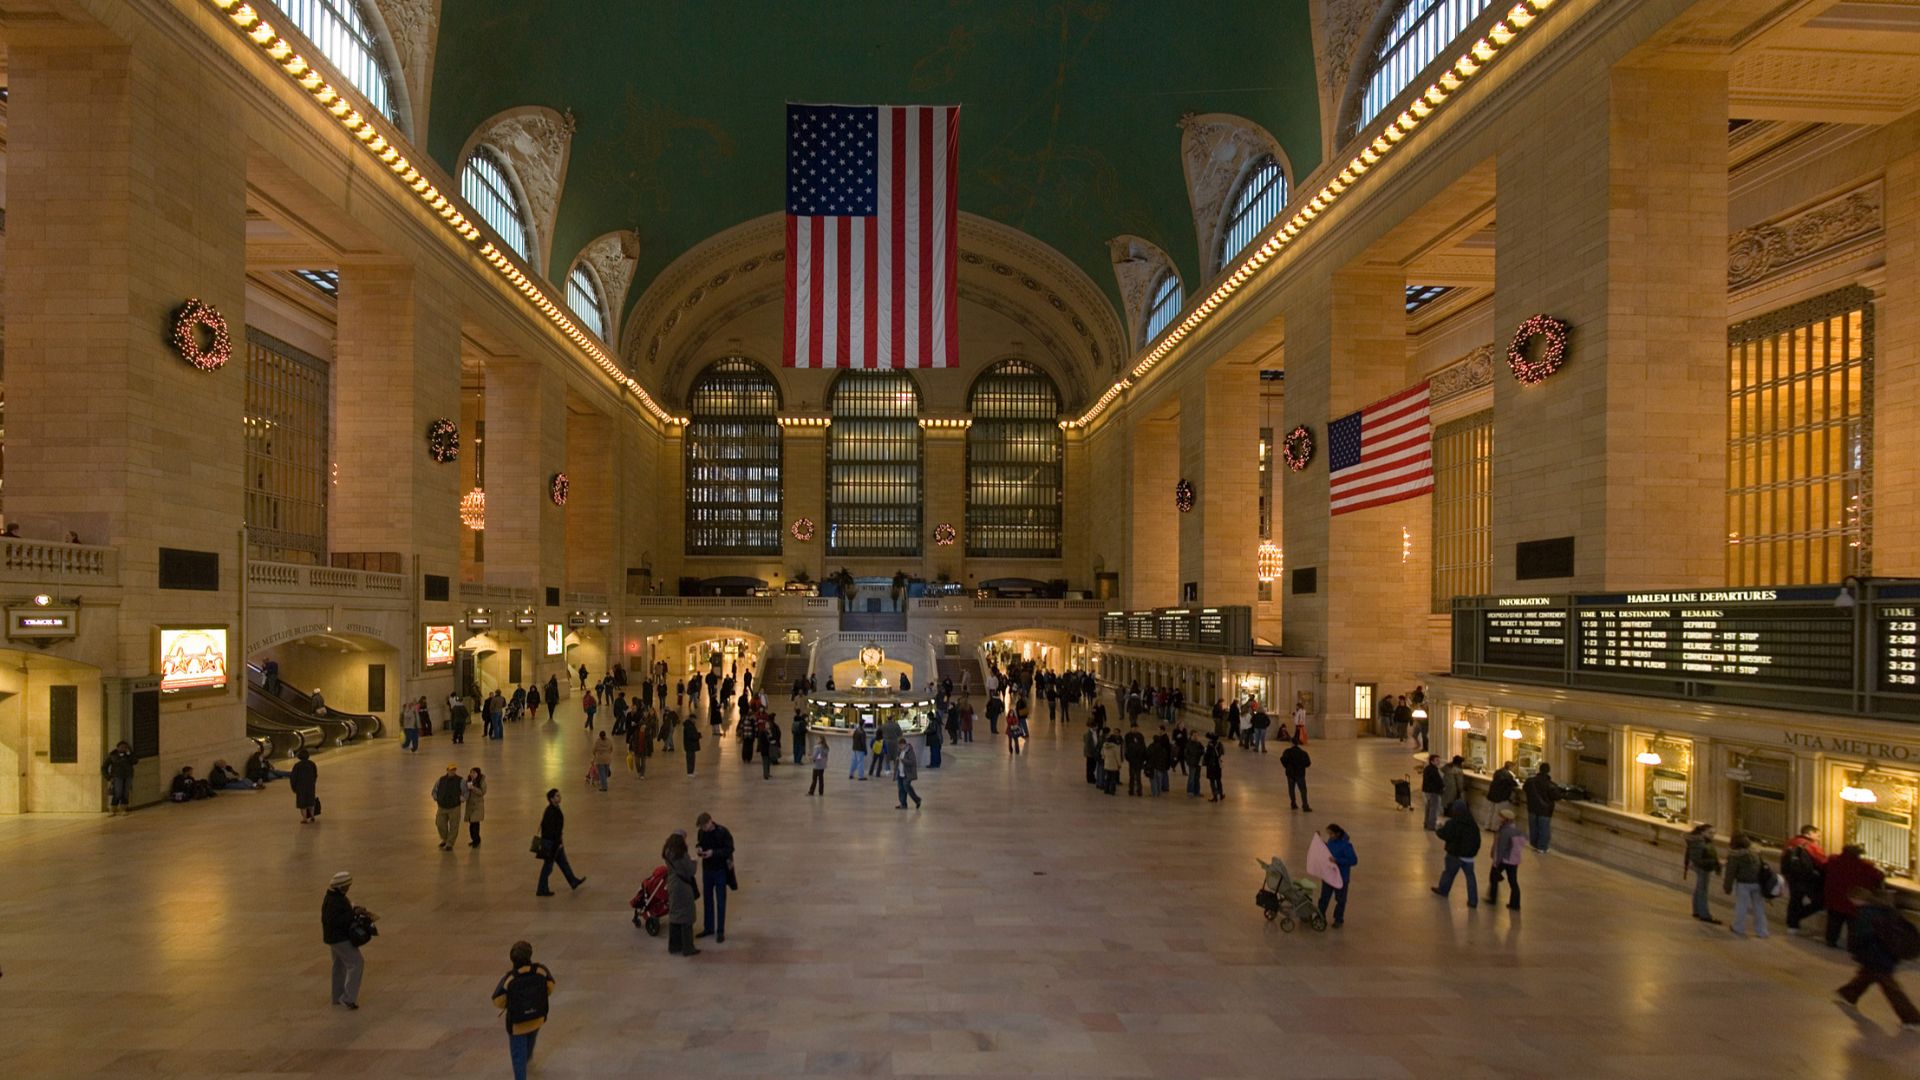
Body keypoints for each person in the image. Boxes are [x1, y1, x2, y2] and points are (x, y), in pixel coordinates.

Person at [1834, 886, 1920, 1028]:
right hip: (1888, 952)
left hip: (1875, 954)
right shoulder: (1885, 909)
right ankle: (1848, 995)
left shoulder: (1865, 914)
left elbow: (1861, 936)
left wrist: (1855, 949)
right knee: (1867, 975)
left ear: (1857, 899)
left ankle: (1911, 1018)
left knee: (1890, 988)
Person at [491, 940, 555, 1080]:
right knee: (531, 1039)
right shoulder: (540, 971)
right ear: (530, 955)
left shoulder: (510, 978)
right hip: (537, 1017)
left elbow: (497, 1000)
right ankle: (529, 1058)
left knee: (518, 1056)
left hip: (517, 1024)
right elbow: (550, 987)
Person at [321, 871, 372, 1009]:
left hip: (332, 938)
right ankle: (348, 998)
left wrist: (353, 909)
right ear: (340, 887)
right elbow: (337, 920)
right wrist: (353, 913)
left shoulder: (332, 897)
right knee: (356, 963)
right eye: (346, 886)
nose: (348, 888)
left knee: (339, 966)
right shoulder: (335, 901)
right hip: (339, 938)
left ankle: (337, 997)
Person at [1824, 844, 1885, 949]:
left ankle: (1831, 940)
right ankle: (1852, 945)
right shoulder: (1864, 865)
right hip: (1853, 899)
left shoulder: (1833, 860)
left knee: (1834, 921)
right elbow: (1879, 876)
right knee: (1853, 924)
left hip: (1834, 896)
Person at [1431, 801, 1481, 908]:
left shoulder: (1453, 823)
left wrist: (1438, 829)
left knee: (1448, 873)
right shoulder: (1473, 824)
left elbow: (1444, 834)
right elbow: (1477, 840)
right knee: (1470, 877)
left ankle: (1443, 890)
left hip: (1455, 854)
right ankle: (1473, 901)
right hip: (1469, 857)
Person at [535, 789, 585, 896]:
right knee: (548, 867)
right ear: (551, 799)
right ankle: (541, 889)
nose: (559, 797)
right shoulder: (551, 811)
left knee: (563, 863)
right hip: (552, 844)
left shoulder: (553, 809)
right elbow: (551, 830)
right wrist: (557, 842)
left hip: (555, 843)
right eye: (557, 796)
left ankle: (573, 881)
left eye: (559, 795)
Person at [1781, 824, 1829, 933]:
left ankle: (1792, 926)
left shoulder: (1790, 842)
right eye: (1817, 835)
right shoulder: (1811, 845)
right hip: (1807, 878)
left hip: (1792, 877)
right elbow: (1822, 862)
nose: (1819, 837)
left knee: (1795, 900)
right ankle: (1796, 917)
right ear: (1809, 833)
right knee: (1819, 901)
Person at [695, 812, 735, 942]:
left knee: (720, 901)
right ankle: (709, 927)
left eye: (704, 826)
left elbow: (729, 849)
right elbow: (699, 843)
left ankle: (720, 931)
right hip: (707, 871)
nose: (703, 829)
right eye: (701, 827)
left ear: (710, 821)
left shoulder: (722, 832)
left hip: (720, 871)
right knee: (707, 900)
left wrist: (714, 853)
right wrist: (699, 848)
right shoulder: (702, 833)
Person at [1723, 832, 1769, 938]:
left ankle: (1738, 927)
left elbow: (1730, 872)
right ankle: (1762, 931)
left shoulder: (1735, 855)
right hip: (1758, 882)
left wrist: (1727, 887)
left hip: (1744, 883)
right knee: (1759, 907)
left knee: (1741, 906)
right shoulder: (1756, 852)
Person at [664, 832, 700, 957]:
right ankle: (688, 947)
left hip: (673, 883)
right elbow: (690, 871)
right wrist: (694, 861)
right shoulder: (681, 855)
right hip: (683, 887)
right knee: (686, 916)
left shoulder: (668, 851)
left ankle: (674, 945)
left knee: (674, 914)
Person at [1317, 824, 1357, 928]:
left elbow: (1353, 860)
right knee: (1324, 898)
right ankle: (1320, 915)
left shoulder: (1346, 846)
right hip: (1329, 875)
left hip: (1341, 877)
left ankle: (1338, 919)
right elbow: (1328, 851)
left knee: (1340, 900)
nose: (1329, 836)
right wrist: (1320, 841)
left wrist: (1337, 861)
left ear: (1337, 834)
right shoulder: (1331, 841)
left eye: (1331, 834)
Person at [1486, 808, 1523, 911]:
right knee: (1513, 882)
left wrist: (1496, 862)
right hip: (1514, 860)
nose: (1499, 818)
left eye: (1501, 817)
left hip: (1504, 859)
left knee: (1493, 877)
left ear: (1506, 819)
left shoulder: (1504, 831)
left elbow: (1501, 848)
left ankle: (1492, 899)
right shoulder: (1517, 831)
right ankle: (1515, 904)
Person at [1684, 823, 1721, 924]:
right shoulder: (1699, 842)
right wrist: (1716, 862)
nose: (1713, 835)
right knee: (1702, 890)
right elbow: (1698, 860)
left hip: (1701, 866)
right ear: (1703, 832)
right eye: (1710, 832)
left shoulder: (1700, 840)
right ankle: (1704, 914)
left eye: (1714, 833)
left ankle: (1697, 910)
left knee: (1699, 888)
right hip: (1702, 867)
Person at [1521, 763, 1560, 852]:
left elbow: (1525, 789)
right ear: (1548, 771)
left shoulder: (1530, 781)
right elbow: (1557, 796)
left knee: (1533, 827)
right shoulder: (1551, 784)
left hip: (1532, 807)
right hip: (1545, 810)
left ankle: (1534, 844)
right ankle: (1542, 847)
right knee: (1544, 829)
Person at [432, 764, 465, 851]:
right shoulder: (441, 780)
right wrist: (436, 797)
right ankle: (445, 839)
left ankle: (450, 843)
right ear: (447, 770)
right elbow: (435, 789)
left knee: (454, 826)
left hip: (454, 807)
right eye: (451, 770)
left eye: (454, 770)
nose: (452, 771)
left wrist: (463, 798)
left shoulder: (460, 780)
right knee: (440, 824)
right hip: (442, 806)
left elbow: (465, 791)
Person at [102, 741, 138, 814]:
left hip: (128, 776)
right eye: (121, 747)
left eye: (125, 747)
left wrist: (129, 754)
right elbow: (104, 767)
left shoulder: (128, 755)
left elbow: (135, 761)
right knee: (118, 792)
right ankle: (113, 808)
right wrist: (108, 777)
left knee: (125, 792)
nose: (123, 749)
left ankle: (123, 808)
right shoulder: (112, 755)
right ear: (117, 747)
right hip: (117, 776)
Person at [1280, 739, 1313, 811]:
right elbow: (1308, 763)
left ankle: (1293, 803)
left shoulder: (1287, 752)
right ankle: (1305, 805)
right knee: (1303, 790)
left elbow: (1283, 760)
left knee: (1291, 789)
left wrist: (1287, 767)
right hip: (1300, 774)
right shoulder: (1303, 753)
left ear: (1291, 743)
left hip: (1290, 773)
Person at [1485, 761, 1518, 829]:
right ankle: (1494, 827)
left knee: (1491, 811)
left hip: (1492, 794)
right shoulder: (1508, 775)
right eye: (1514, 767)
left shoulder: (1498, 771)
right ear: (1510, 767)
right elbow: (1514, 783)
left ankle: (1487, 825)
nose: (1514, 769)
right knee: (1498, 812)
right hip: (1500, 796)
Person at [291, 749, 319, 824]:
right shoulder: (312, 764)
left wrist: (293, 787)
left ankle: (304, 818)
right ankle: (312, 816)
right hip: (310, 785)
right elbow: (315, 774)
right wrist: (313, 782)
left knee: (302, 803)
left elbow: (293, 777)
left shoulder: (297, 766)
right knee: (311, 801)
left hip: (300, 787)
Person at [897, 737, 923, 809]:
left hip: (907, 773)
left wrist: (903, 760)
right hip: (900, 772)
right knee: (901, 789)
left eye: (901, 746)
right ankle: (903, 804)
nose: (900, 747)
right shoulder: (900, 751)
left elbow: (912, 762)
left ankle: (917, 799)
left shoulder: (909, 751)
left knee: (906, 786)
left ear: (904, 744)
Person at [464, 767, 487, 847]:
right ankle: (474, 840)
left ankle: (476, 841)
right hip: (470, 806)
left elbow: (482, 792)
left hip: (477, 807)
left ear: (478, 774)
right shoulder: (469, 781)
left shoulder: (481, 781)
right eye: (471, 773)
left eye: (474, 773)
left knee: (475, 825)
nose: (472, 774)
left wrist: (473, 788)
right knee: (471, 825)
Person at [1420, 755, 1444, 831]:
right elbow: (1438, 781)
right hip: (1433, 791)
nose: (1439, 762)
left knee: (1428, 808)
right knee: (1433, 808)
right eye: (1437, 760)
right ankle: (1431, 825)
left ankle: (1426, 823)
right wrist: (1443, 786)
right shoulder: (1433, 770)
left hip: (1427, 791)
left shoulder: (1427, 768)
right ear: (1432, 761)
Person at [1123, 727, 1146, 796]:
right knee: (1135, 776)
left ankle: (1133, 790)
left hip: (1134, 762)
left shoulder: (1132, 744)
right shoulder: (1129, 737)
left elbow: (1127, 752)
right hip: (1136, 762)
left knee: (1134, 776)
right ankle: (1137, 790)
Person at [1203, 734, 1225, 802]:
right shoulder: (1219, 744)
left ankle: (1215, 796)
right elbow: (1222, 753)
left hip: (1211, 765)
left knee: (1212, 781)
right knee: (1218, 780)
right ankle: (1221, 794)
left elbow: (1206, 755)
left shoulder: (1209, 745)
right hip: (1218, 765)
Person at [1183, 731, 1205, 798]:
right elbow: (1187, 753)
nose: (1196, 737)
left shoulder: (1199, 743)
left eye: (1197, 735)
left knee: (1197, 778)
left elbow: (1203, 751)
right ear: (1191, 736)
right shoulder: (1188, 744)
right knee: (1191, 778)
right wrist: (1189, 760)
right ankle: (1190, 791)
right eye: (1194, 735)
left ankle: (1197, 791)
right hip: (1192, 763)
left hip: (1198, 763)